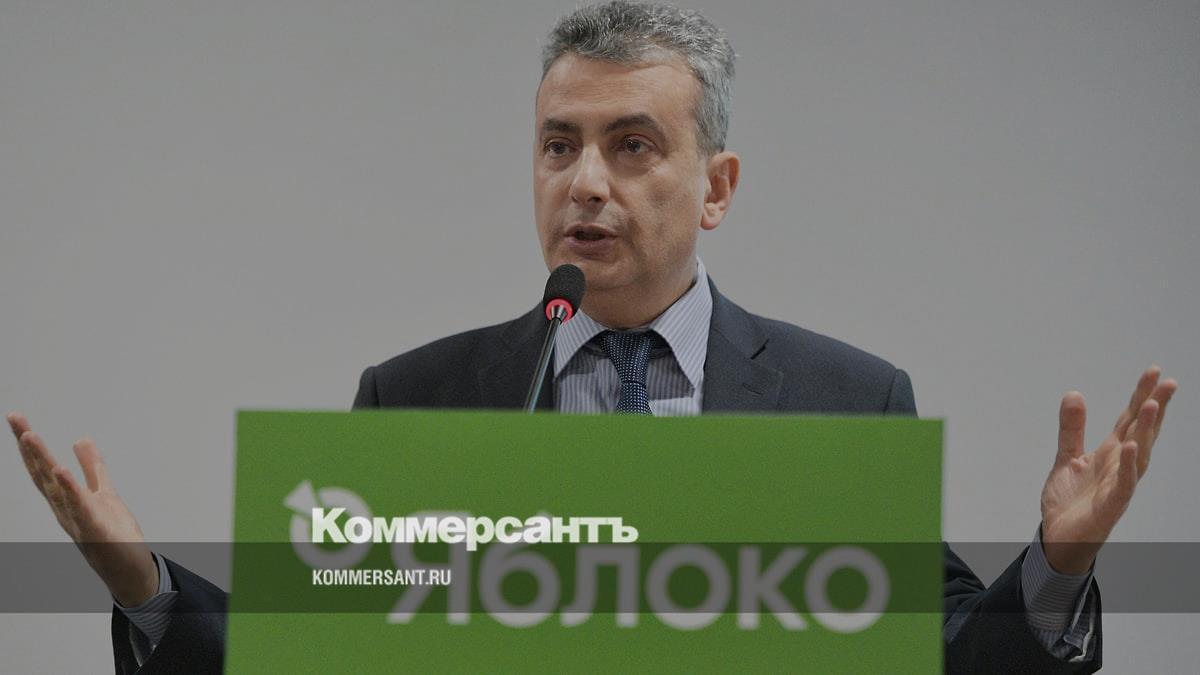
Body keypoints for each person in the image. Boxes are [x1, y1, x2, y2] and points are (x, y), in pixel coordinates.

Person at [6, 2, 1178, 673]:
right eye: (559, 145)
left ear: (716, 187)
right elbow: (316, 650)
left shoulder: (843, 397)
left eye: (632, 145)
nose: (585, 183)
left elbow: (942, 657)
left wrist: (1057, 565)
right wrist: (145, 586)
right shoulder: (421, 397)